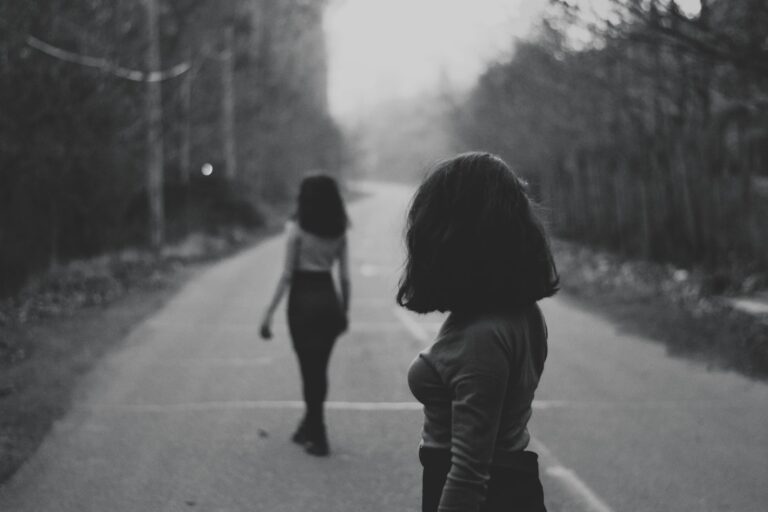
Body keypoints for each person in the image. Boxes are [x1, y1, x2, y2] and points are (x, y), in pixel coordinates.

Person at [400, 152, 559, 512]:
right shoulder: (519, 312)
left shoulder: (482, 337)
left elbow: (470, 471)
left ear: (451, 235)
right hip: (510, 489)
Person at [260, 173, 350, 457]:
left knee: (308, 370)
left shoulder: (295, 229)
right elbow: (345, 278)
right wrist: (344, 312)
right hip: (329, 300)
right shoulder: (339, 230)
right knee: (319, 369)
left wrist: (268, 312)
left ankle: (318, 433)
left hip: (302, 301)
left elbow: (287, 275)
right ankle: (308, 426)